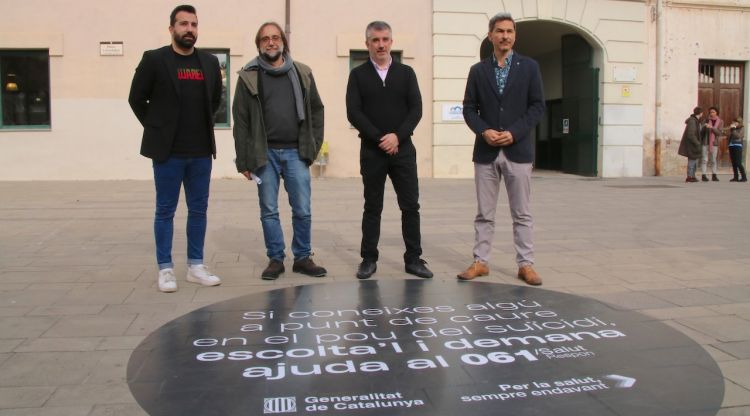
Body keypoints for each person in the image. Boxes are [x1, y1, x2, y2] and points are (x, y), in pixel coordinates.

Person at [128, 4, 223, 293]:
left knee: (198, 210)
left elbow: (216, 100)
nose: (189, 30)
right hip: (168, 153)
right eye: (183, 24)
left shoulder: (208, 62)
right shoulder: (155, 59)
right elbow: (136, 98)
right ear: (172, 29)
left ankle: (196, 266)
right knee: (165, 210)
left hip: (200, 152)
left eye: (193, 24)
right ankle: (165, 269)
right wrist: (157, 129)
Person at [232, 21, 327, 280]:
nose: (271, 42)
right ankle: (275, 259)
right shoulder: (248, 76)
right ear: (259, 44)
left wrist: (313, 146)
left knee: (303, 209)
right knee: (269, 210)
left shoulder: (302, 73)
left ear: (283, 42)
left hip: (297, 152)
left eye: (275, 38)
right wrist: (243, 160)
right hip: (265, 155)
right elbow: (240, 120)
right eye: (265, 39)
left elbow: (317, 110)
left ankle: (303, 257)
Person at [457, 12, 545, 285]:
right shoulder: (478, 71)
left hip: (517, 152)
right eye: (499, 31)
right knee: (485, 213)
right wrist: (484, 130)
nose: (504, 36)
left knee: (522, 213)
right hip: (486, 152)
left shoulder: (529, 67)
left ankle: (526, 264)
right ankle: (481, 261)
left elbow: (537, 106)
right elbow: (469, 109)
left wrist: (514, 132)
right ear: (490, 35)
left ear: (514, 35)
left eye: (509, 31)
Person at [346, 21, 433, 280]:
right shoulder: (358, 75)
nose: (381, 44)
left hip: (403, 150)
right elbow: (354, 112)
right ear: (367, 44)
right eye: (375, 40)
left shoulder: (406, 74)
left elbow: (416, 109)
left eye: (385, 39)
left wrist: (397, 136)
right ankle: (368, 259)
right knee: (373, 206)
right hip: (372, 152)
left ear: (392, 42)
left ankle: (414, 258)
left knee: (410, 206)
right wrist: (379, 138)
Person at [678, 106, 703, 183]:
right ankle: (689, 176)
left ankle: (692, 176)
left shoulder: (695, 121)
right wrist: (697, 143)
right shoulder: (693, 121)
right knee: (692, 160)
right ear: (701, 113)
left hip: (693, 144)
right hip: (692, 145)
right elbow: (691, 134)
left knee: (694, 160)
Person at [700, 106, 724, 182]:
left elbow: (719, 133)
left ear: (716, 113)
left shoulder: (720, 121)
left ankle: (714, 175)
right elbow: (701, 132)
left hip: (714, 143)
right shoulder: (706, 120)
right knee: (704, 159)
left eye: (713, 112)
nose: (711, 113)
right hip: (705, 142)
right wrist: (704, 127)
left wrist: (712, 128)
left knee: (713, 160)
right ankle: (704, 175)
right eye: (710, 112)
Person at [728, 117, 747, 182]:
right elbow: (730, 136)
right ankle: (735, 177)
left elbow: (738, 136)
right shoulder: (732, 128)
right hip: (731, 145)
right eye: (733, 122)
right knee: (734, 163)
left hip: (737, 146)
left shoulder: (742, 128)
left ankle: (744, 177)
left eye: (735, 122)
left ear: (739, 122)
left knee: (738, 162)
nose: (734, 123)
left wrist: (733, 129)